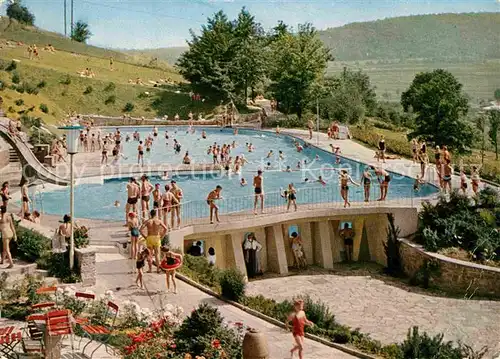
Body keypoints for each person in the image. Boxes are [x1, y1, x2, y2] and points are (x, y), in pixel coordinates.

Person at [140, 209, 168, 274]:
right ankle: (158, 269)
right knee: (157, 254)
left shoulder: (147, 221)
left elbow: (140, 229)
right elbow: (165, 229)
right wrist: (161, 236)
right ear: (156, 214)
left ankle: (150, 269)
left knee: (149, 255)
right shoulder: (159, 221)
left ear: (150, 214)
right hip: (157, 238)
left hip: (149, 238)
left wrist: (145, 237)